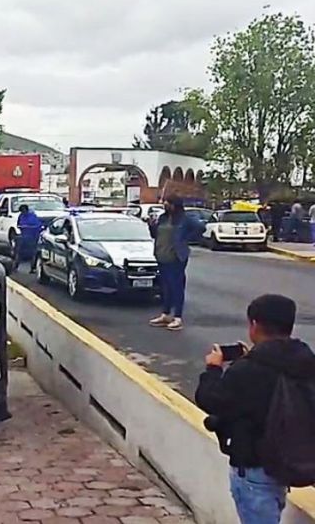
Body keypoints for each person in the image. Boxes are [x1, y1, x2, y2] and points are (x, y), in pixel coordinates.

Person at [195, 294, 315, 524]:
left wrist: (212, 368)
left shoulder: (248, 370)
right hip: (285, 460)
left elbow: (209, 399)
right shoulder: (304, 359)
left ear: (255, 325)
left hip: (254, 467)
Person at [148, 195, 205, 331]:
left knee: (176, 287)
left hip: (176, 257)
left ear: (175, 205)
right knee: (165, 286)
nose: (165, 205)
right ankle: (166, 314)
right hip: (161, 255)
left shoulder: (184, 219)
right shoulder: (163, 218)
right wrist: (151, 225)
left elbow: (200, 227)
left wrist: (186, 239)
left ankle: (177, 317)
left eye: (168, 203)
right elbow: (155, 234)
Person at [15, 204, 42, 273]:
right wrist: (22, 227)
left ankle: (32, 268)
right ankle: (15, 266)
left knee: (33, 253)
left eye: (23, 211)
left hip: (33, 237)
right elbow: (18, 225)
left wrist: (28, 227)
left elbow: (37, 226)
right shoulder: (21, 216)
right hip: (24, 237)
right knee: (19, 252)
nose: (22, 213)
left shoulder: (32, 216)